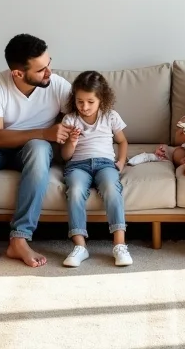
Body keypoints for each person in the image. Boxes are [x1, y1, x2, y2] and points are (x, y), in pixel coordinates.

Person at [0, 33, 72, 270]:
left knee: (39, 148)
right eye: (41, 70)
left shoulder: (58, 86)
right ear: (17, 73)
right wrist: (43, 132)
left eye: (49, 63)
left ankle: (20, 239)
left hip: (32, 150)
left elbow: (86, 118)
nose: (49, 72)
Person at [60, 71, 132, 267]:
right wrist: (72, 142)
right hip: (77, 166)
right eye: (80, 101)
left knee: (111, 187)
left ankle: (119, 245)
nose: (84, 107)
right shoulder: (70, 120)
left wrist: (121, 161)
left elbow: (122, 141)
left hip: (105, 164)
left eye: (90, 102)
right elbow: (65, 156)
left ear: (102, 99)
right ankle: (80, 246)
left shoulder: (110, 116)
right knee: (75, 190)